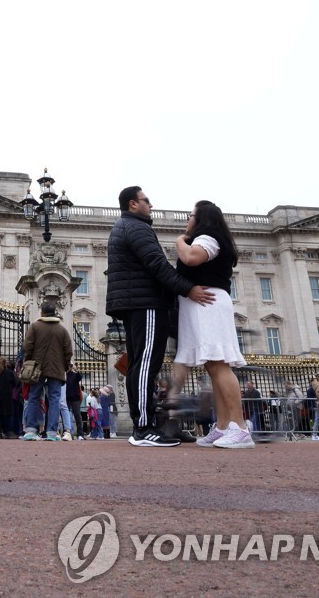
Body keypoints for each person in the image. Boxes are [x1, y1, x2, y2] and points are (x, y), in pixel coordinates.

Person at [106, 186, 215, 447]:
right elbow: (157, 265)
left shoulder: (128, 226)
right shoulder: (136, 227)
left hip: (136, 302)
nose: (151, 205)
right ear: (133, 204)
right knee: (145, 365)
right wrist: (187, 289)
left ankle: (154, 425)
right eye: (147, 201)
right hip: (146, 303)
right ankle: (143, 428)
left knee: (138, 365)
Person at [171, 200, 253, 449]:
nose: (188, 219)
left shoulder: (208, 237)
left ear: (202, 218)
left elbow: (192, 258)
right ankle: (222, 427)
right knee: (212, 366)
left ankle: (239, 427)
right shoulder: (210, 237)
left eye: (191, 215)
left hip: (209, 304)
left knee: (219, 364)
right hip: (201, 306)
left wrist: (179, 241)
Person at [21, 301, 72, 442]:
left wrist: (28, 361)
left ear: (42, 313)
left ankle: (31, 430)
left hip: (37, 367)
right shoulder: (62, 330)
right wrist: (66, 366)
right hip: (56, 368)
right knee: (55, 399)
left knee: (33, 397)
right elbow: (68, 351)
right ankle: (51, 432)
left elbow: (28, 346)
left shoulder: (35, 327)